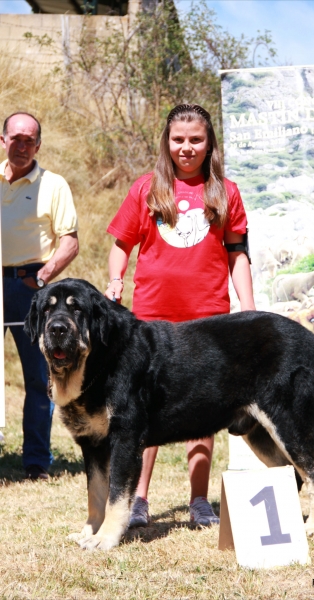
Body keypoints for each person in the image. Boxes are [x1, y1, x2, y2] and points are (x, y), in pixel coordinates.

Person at [105, 103, 255, 526]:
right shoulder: (146, 189)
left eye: (195, 140)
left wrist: (248, 308)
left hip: (208, 318)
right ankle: (138, 499)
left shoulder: (226, 192)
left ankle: (199, 501)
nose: (186, 148)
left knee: (204, 406)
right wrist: (116, 281)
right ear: (166, 143)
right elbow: (121, 243)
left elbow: (237, 253)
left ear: (209, 144)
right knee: (142, 407)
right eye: (178, 140)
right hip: (151, 317)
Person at [0, 112, 79, 480]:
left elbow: (70, 241)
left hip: (31, 287)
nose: (22, 145)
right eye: (15, 137)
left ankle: (35, 461)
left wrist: (45, 275)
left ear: (38, 145)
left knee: (37, 377)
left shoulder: (54, 185)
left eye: (29, 139)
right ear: (3, 140)